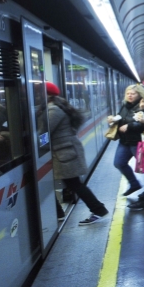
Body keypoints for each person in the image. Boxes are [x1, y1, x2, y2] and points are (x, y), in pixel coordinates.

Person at [46, 82, 108, 225]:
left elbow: (45, 132)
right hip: (64, 152)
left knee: (74, 184)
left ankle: (98, 210)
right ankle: (59, 213)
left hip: (64, 154)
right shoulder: (57, 106)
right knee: (69, 183)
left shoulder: (53, 110)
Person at [110, 84, 144, 196]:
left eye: (133, 94)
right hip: (125, 141)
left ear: (139, 94)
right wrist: (113, 119)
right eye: (128, 93)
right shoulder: (125, 105)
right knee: (119, 163)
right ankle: (134, 183)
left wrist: (129, 126)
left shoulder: (142, 105)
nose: (130, 96)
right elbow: (121, 117)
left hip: (138, 142)